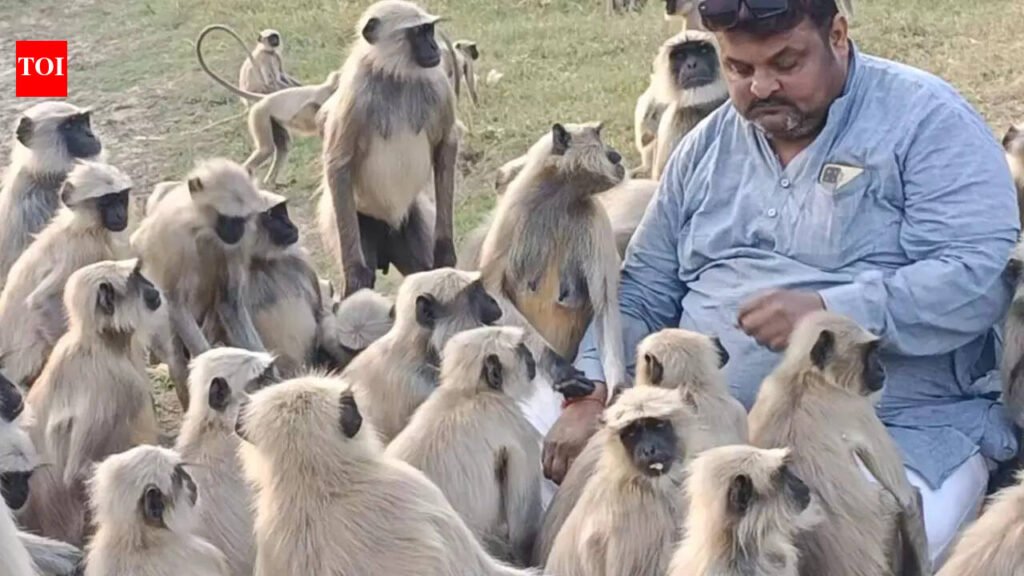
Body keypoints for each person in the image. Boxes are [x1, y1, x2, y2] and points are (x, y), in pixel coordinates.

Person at [545, 0, 1020, 565]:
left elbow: (977, 275)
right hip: (690, 433)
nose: (761, 86)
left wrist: (829, 312)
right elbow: (645, 287)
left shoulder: (926, 123)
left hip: (888, 434)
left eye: (785, 62)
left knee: (841, 550)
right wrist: (594, 389)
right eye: (739, 69)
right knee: (544, 488)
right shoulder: (706, 146)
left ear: (838, 36)